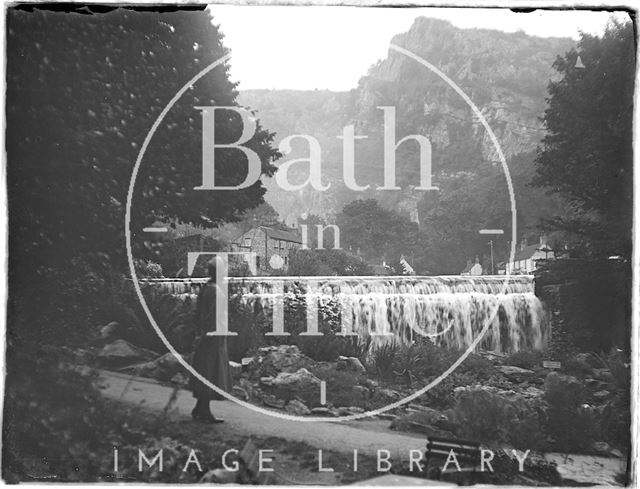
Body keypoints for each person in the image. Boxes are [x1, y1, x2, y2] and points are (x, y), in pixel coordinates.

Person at [189, 258, 231, 423]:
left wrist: (199, 333)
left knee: (204, 370)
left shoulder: (206, 288)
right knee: (210, 371)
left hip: (206, 335)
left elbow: (198, 314)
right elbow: (213, 318)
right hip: (214, 338)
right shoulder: (216, 291)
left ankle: (199, 408)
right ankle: (204, 411)